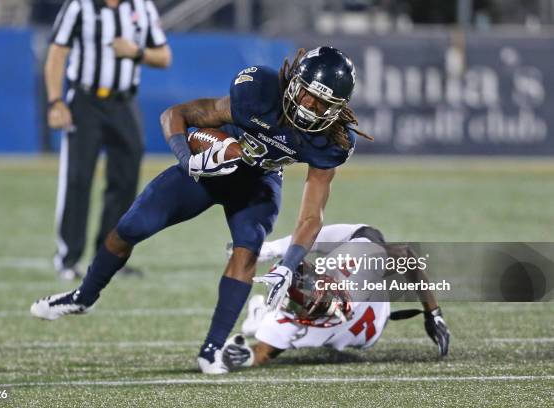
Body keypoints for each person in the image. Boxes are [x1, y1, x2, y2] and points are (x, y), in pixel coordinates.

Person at [30, 46, 371, 374]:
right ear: (293, 81)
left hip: (259, 181)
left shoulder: (333, 141)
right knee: (131, 227)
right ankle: (83, 296)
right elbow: (175, 115)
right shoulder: (260, 91)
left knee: (248, 248)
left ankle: (211, 350)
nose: (309, 106)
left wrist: (289, 265)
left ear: (337, 108)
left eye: (322, 102)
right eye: (307, 93)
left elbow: (312, 216)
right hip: (212, 165)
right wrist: (189, 161)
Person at [45, 0, 171, 280]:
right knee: (77, 178)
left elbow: (164, 57)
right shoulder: (79, 6)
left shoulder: (142, 7)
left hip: (124, 102)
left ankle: (110, 257)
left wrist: (135, 52)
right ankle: (68, 258)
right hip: (85, 99)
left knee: (125, 180)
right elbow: (57, 52)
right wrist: (55, 101)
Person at [223, 223, 451, 370]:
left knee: (366, 236)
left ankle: (273, 249)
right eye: (316, 303)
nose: (327, 302)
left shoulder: (354, 266)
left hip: (372, 301)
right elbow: (259, 354)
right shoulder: (289, 325)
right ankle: (260, 314)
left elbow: (407, 256)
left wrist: (434, 314)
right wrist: (238, 356)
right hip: (367, 330)